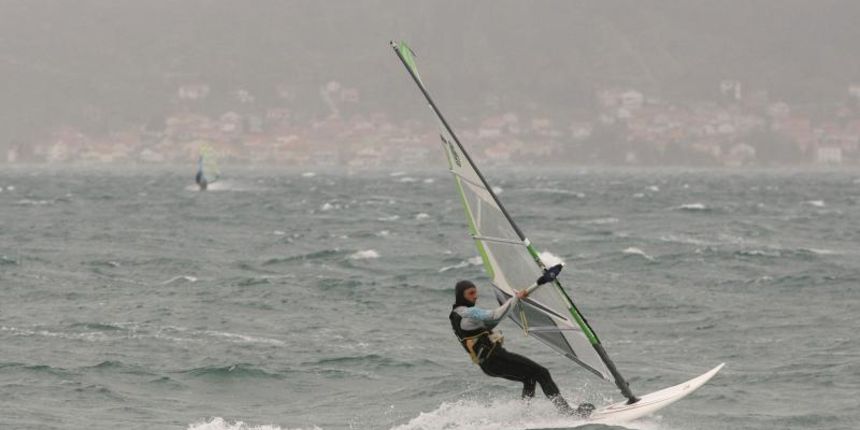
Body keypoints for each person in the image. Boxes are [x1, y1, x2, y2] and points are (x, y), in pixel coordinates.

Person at [449, 279, 595, 418]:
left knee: (530, 378)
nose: (476, 296)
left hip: (488, 365)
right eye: (471, 293)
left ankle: (525, 414)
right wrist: (516, 298)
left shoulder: (456, 316)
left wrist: (513, 303)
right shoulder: (468, 313)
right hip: (496, 358)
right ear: (461, 295)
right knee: (542, 373)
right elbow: (494, 314)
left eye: (475, 292)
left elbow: (491, 323)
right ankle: (567, 412)